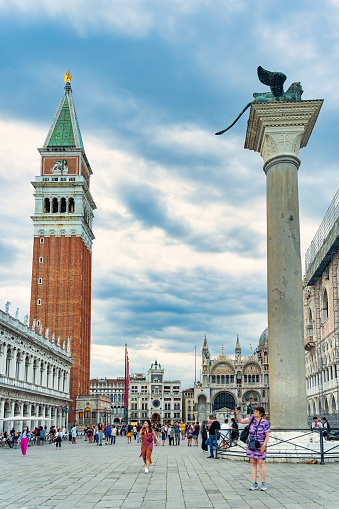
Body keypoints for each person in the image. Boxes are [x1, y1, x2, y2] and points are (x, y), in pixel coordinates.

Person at [235, 406, 270, 491]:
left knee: (261, 463)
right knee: (253, 464)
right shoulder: (251, 420)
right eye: (254, 411)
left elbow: (267, 435)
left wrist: (264, 446)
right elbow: (240, 421)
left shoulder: (264, 423)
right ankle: (254, 483)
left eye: (256, 412)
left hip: (261, 445)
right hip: (251, 444)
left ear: (261, 414)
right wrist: (237, 413)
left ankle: (263, 483)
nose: (254, 412)